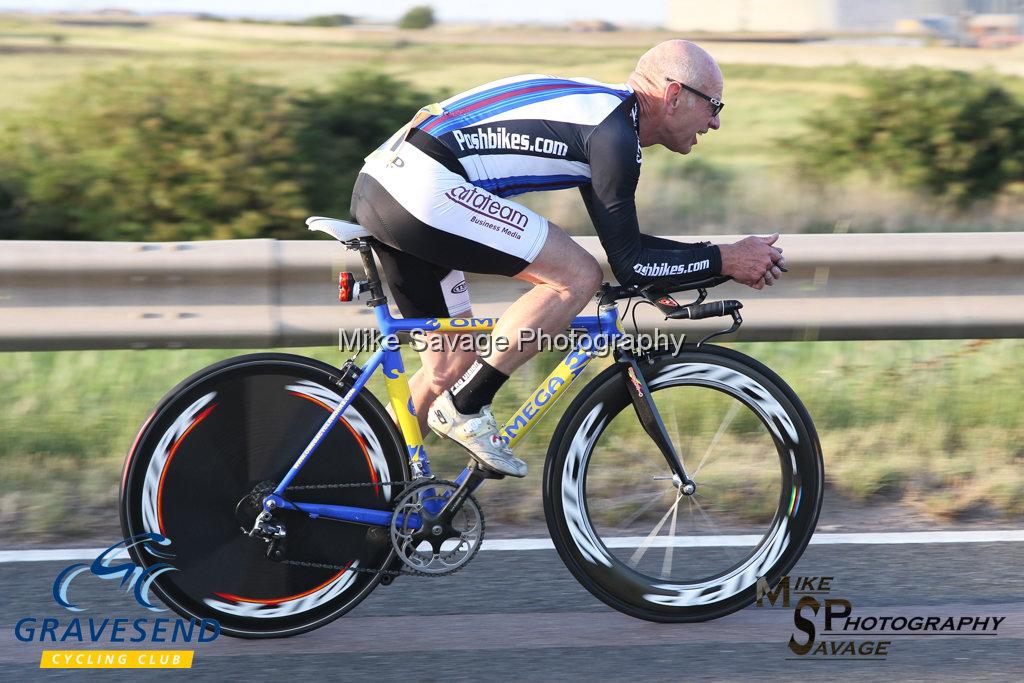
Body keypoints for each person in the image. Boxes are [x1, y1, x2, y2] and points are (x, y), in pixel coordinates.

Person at [350, 39, 786, 478]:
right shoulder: (613, 135)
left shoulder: (603, 118)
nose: (714, 123)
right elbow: (632, 264)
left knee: (447, 368)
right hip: (423, 190)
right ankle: (469, 405)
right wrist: (723, 259)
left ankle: (351, 475)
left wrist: (718, 258)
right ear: (674, 96)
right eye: (714, 106)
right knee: (576, 275)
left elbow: (627, 248)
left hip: (386, 183)